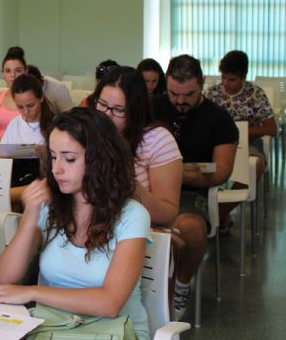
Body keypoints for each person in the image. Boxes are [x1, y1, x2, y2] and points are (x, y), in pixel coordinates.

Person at [0, 108, 151, 340]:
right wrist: (31, 215)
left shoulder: (132, 215)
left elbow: (110, 303)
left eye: (69, 158)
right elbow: (6, 277)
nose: (56, 168)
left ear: (98, 160)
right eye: (52, 156)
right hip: (54, 327)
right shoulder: (52, 207)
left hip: (115, 329)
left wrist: (32, 292)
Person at [152, 54, 238, 320]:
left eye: (188, 94)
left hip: (190, 194)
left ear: (202, 83)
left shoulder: (220, 120)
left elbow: (221, 172)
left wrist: (175, 173)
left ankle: (181, 283)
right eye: (173, 93)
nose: (180, 101)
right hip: (149, 188)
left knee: (191, 228)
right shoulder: (151, 108)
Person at [90, 66, 181, 227]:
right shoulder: (87, 132)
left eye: (119, 110)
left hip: (137, 230)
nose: (107, 114)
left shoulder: (157, 139)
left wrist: (128, 185)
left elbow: (168, 215)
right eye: (102, 104)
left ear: (136, 110)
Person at [205, 50, 276, 185]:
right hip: (216, 144)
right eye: (223, 77)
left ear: (243, 78)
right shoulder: (212, 93)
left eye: (231, 79)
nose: (225, 82)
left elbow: (272, 129)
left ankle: (234, 199)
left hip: (248, 144)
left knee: (255, 165)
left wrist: (242, 132)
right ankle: (209, 200)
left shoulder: (255, 93)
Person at [0, 74, 55, 208]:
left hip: (41, 181)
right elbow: (0, 155)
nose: (26, 112)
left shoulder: (54, 125)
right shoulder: (15, 123)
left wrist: (44, 153)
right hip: (16, 177)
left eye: (30, 105)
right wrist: (4, 155)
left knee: (0, 195)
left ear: (41, 98)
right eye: (20, 107)